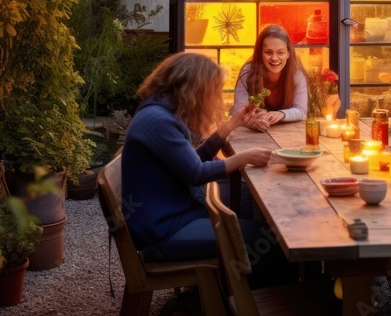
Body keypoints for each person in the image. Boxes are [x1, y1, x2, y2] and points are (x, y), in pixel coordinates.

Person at [120, 52, 284, 279]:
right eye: (212, 91)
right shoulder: (159, 121)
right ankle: (250, 302)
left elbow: (188, 163)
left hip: (167, 219)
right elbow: (196, 173)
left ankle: (239, 293)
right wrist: (243, 157)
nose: (213, 98)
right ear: (195, 89)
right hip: (162, 233)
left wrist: (229, 128)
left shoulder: (158, 111)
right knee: (271, 239)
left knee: (257, 222)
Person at [231, 24, 308, 131]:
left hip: (287, 132)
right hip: (251, 134)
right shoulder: (248, 73)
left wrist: (281, 114)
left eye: (280, 52)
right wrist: (253, 122)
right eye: (268, 52)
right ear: (259, 53)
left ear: (288, 53)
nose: (275, 58)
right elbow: (238, 111)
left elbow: (301, 111)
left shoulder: (296, 74)